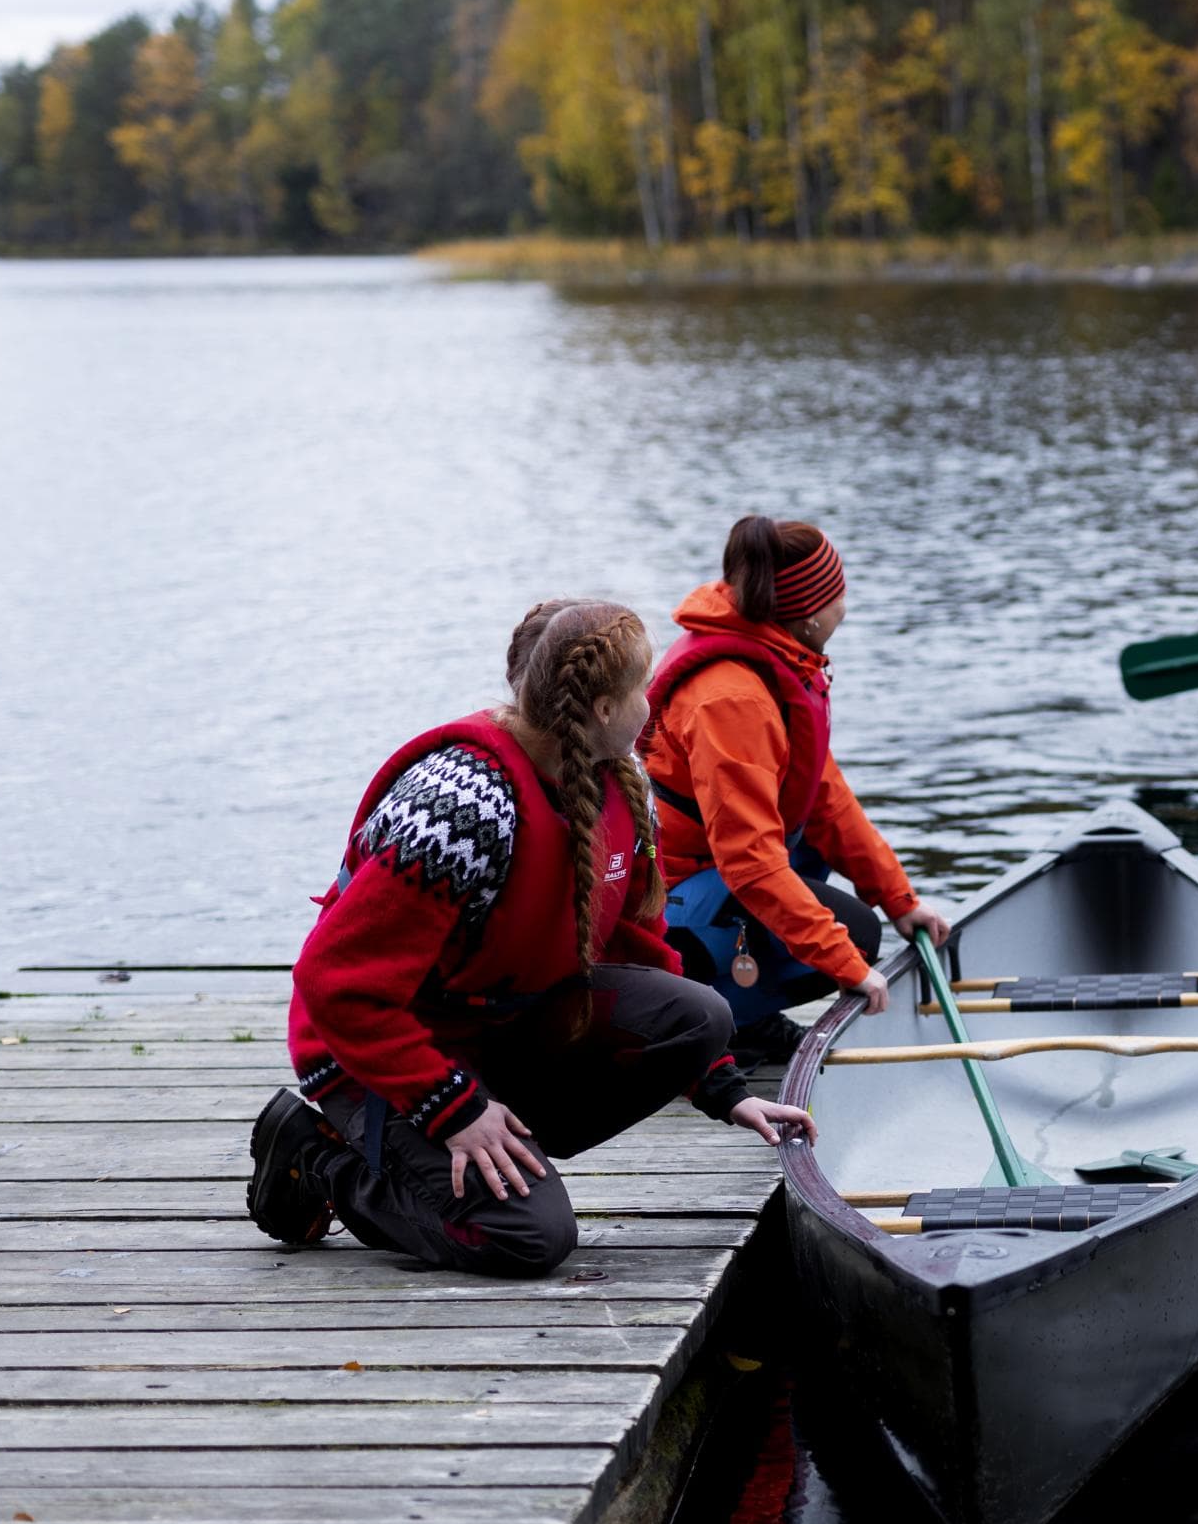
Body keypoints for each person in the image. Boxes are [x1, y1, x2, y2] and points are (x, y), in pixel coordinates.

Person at [248, 599, 814, 1278]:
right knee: (528, 1238)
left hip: (495, 1031)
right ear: (603, 708)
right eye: (643, 688)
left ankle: (496, 1147)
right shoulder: (462, 805)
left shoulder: (618, 782)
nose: (652, 703)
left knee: (702, 1017)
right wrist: (454, 1110)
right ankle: (318, 1158)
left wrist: (723, 1088)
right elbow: (334, 984)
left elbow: (638, 949)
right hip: (370, 1055)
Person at [641, 518, 953, 1061]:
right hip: (671, 898)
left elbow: (827, 798)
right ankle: (720, 1016)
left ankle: (745, 1014)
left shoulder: (776, 654)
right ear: (809, 612)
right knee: (855, 936)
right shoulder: (733, 699)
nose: (844, 608)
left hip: (712, 871)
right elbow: (748, 859)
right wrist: (844, 963)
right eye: (839, 596)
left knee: (815, 850)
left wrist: (899, 899)